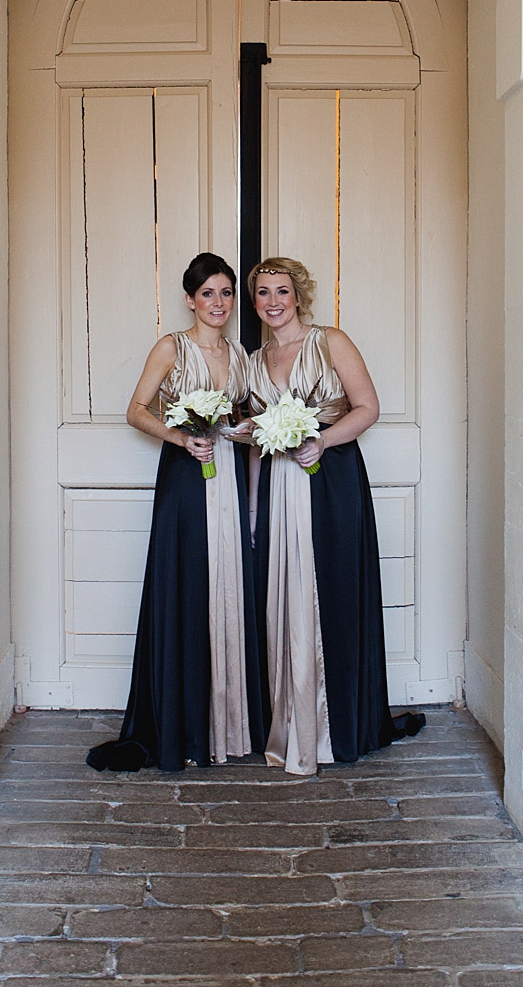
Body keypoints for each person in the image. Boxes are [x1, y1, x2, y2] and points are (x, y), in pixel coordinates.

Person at [86, 252, 265, 772]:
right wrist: (181, 437)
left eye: (226, 293)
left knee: (231, 584)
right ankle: (183, 723)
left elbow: (249, 418)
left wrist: (251, 431)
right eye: (207, 293)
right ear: (190, 299)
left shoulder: (241, 355)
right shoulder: (171, 348)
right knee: (188, 587)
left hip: (229, 473)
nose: (218, 303)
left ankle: (229, 723)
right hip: (186, 480)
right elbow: (136, 410)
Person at [247, 256, 425, 776]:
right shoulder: (255, 361)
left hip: (333, 479)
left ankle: (337, 725)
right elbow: (258, 443)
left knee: (333, 595)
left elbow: (367, 407)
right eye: (263, 293)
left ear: (299, 296)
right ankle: (293, 723)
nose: (273, 301)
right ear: (255, 301)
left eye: (282, 291)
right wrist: (255, 508)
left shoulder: (331, 342)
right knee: (284, 600)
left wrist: (322, 441)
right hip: (280, 484)